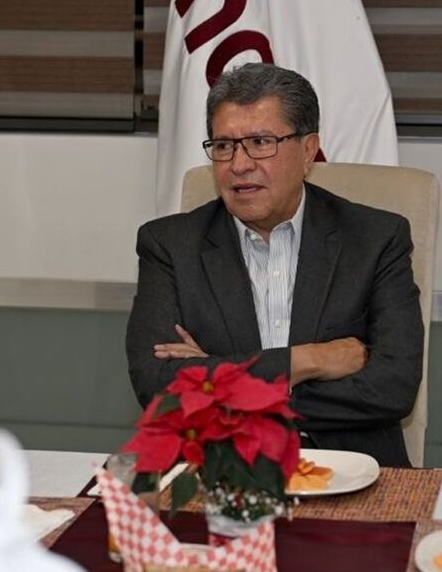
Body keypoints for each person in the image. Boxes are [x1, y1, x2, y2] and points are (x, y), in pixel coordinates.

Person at [126, 62, 422, 467]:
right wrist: (309, 361)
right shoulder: (169, 245)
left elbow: (394, 387)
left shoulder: (375, 239)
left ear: (307, 151)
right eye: (224, 145)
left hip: (356, 474)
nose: (240, 164)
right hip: (222, 475)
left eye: (261, 142)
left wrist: (216, 381)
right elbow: (158, 388)